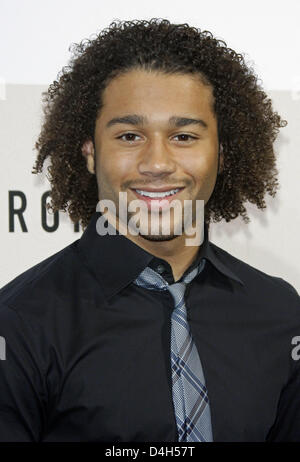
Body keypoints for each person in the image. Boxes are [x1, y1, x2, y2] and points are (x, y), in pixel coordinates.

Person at [0, 18, 299, 443]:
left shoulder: (281, 313)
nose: (157, 163)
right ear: (89, 151)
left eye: (183, 135)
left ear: (222, 152)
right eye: (129, 135)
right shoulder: (19, 324)